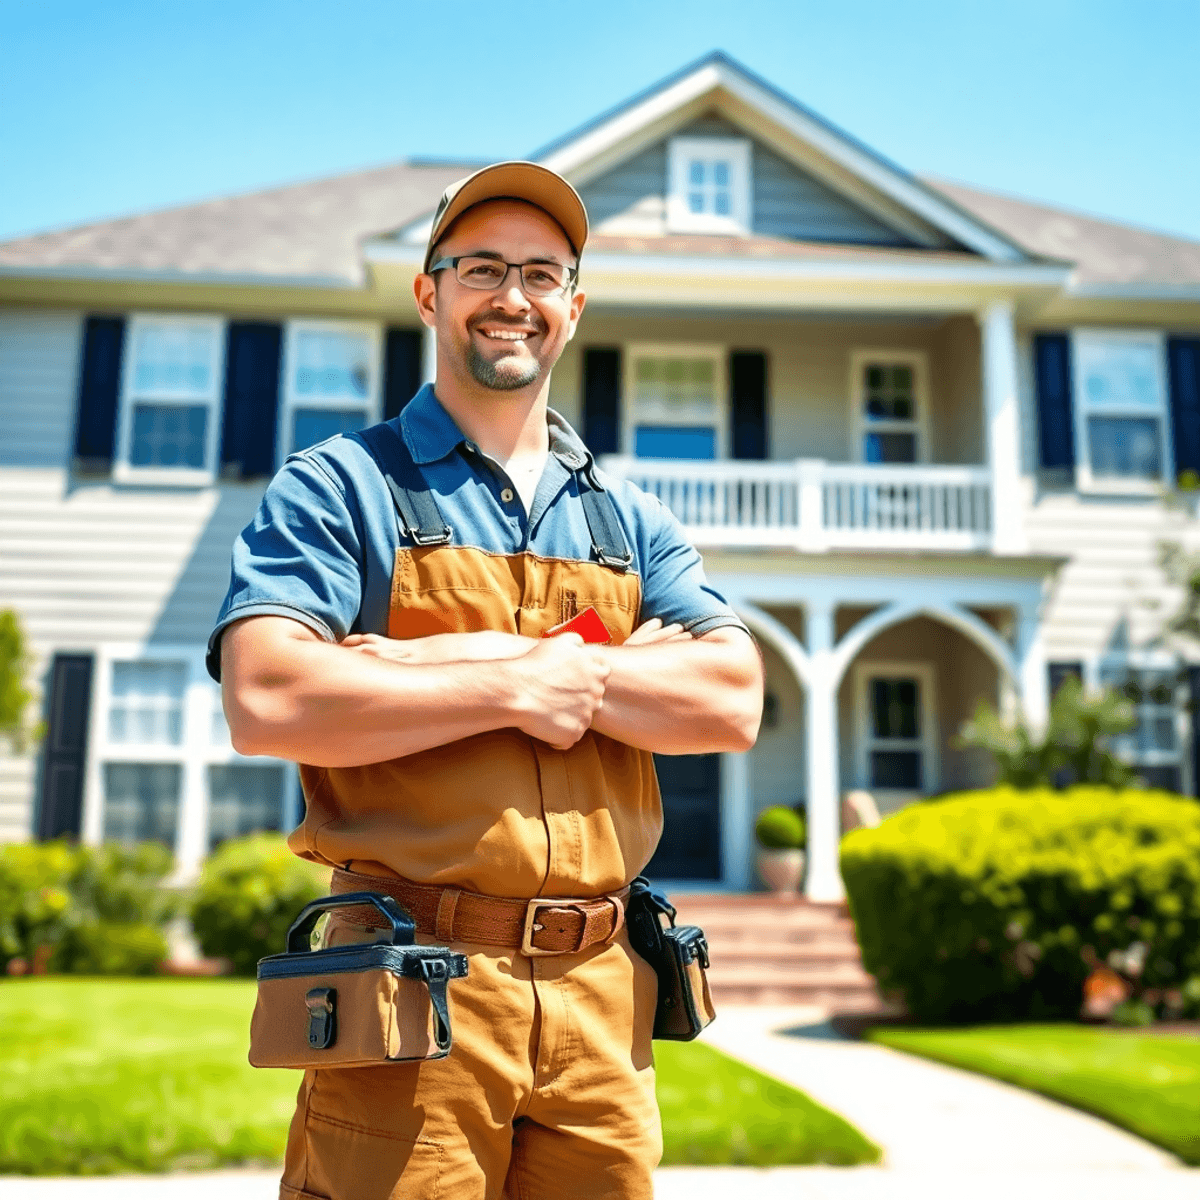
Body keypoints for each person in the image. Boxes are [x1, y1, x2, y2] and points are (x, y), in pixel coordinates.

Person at [209, 161, 763, 1200]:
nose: (514, 297)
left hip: (606, 1003)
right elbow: (271, 697)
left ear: (574, 304)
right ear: (430, 293)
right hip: (411, 992)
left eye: (543, 274)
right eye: (482, 269)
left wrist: (437, 658)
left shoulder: (629, 519)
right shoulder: (342, 488)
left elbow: (730, 697)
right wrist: (529, 686)